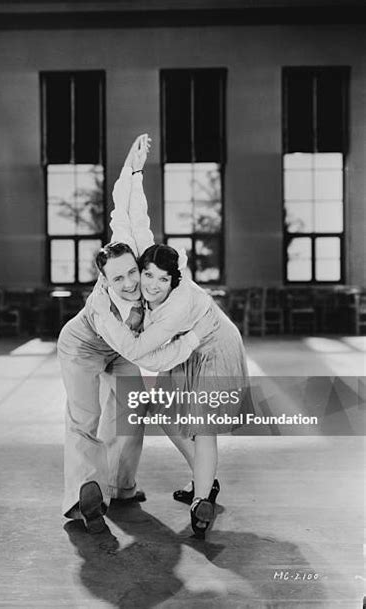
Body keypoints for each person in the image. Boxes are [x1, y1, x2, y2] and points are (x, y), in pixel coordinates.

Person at [92, 135, 250, 538]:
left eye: (162, 279)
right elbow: (129, 216)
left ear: (174, 279)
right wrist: (134, 170)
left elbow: (154, 357)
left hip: (211, 345)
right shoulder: (145, 260)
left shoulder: (173, 304)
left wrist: (187, 336)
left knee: (203, 425)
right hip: (186, 346)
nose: (149, 284)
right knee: (163, 410)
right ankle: (203, 480)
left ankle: (202, 499)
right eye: (146, 275)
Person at [58, 135, 211, 534]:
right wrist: (189, 342)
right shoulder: (101, 308)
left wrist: (134, 170)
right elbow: (144, 353)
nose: (130, 284)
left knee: (129, 413)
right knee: (85, 418)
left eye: (132, 273)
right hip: (85, 346)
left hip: (126, 350)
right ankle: (83, 496)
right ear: (103, 279)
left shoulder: (136, 260)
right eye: (118, 278)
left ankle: (121, 488)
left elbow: (127, 214)